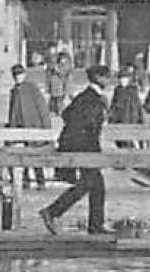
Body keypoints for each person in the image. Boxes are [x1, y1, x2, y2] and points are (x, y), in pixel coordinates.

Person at [39, 65, 113, 236]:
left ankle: (95, 225)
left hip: (80, 145)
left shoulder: (84, 96)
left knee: (96, 186)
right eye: (106, 77)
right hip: (85, 147)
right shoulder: (93, 99)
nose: (108, 81)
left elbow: (66, 114)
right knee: (89, 184)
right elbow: (90, 125)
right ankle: (52, 212)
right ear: (99, 78)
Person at [6, 63, 51, 188]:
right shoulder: (14, 91)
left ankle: (40, 181)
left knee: (35, 155)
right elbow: (12, 111)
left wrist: (45, 128)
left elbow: (42, 108)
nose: (18, 77)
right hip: (19, 127)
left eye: (20, 74)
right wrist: (11, 127)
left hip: (33, 126)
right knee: (22, 156)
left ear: (24, 75)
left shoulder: (32, 88)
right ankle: (24, 181)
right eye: (15, 75)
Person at [108, 65, 145, 147]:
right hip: (120, 123)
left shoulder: (133, 92)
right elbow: (114, 108)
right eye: (121, 78)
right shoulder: (117, 91)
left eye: (125, 78)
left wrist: (140, 122)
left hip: (131, 123)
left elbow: (138, 109)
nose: (122, 80)